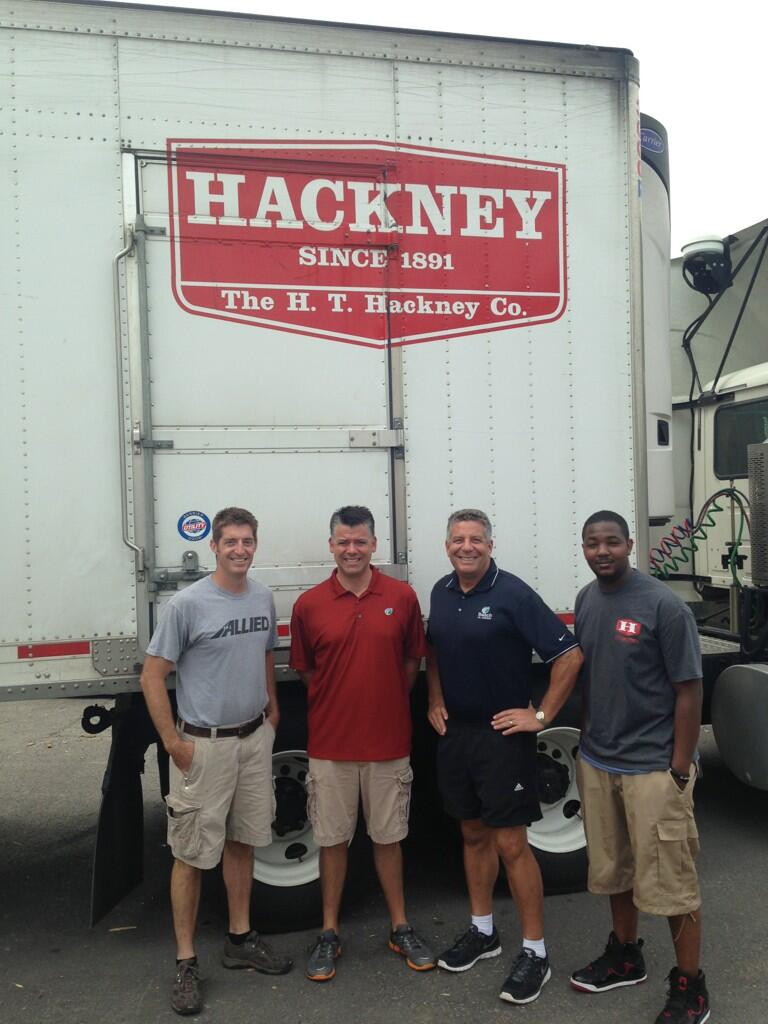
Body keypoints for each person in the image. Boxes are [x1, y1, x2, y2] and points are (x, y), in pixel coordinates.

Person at [140, 506, 293, 1017]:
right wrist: (173, 743)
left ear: (255, 544)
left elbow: (266, 652)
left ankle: (240, 939)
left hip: (252, 740)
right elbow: (152, 676)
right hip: (202, 746)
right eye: (230, 542)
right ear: (214, 547)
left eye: (247, 541)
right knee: (190, 855)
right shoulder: (188, 604)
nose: (240, 550)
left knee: (243, 841)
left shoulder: (262, 596)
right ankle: (186, 961)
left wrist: (271, 707)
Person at [426, 509, 583, 1004]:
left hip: (502, 737)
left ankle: (535, 951)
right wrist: (434, 699)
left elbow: (569, 654)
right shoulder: (441, 592)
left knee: (511, 844)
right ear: (447, 545)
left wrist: (539, 716)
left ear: (491, 545)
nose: (466, 547)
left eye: (475, 539)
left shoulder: (513, 593)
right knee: (472, 833)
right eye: (458, 539)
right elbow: (433, 652)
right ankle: (483, 932)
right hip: (458, 737)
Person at [570, 510, 709, 1024]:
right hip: (600, 761)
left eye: (611, 542)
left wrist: (678, 768)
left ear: (630, 544)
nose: (602, 551)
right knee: (615, 870)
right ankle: (626, 954)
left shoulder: (663, 606)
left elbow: (689, 690)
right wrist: (587, 742)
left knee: (673, 881)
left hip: (653, 768)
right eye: (592, 543)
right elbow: (591, 679)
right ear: (583, 547)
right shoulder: (586, 600)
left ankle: (691, 985)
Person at [289, 505, 436, 982]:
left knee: (388, 838)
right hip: (330, 746)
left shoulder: (402, 597)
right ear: (331, 545)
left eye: (360, 541)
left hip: (388, 744)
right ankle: (329, 932)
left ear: (375, 545)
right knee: (332, 841)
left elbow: (412, 663)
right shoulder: (309, 605)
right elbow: (308, 672)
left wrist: (383, 701)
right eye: (342, 541)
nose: (351, 549)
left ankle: (400, 926)